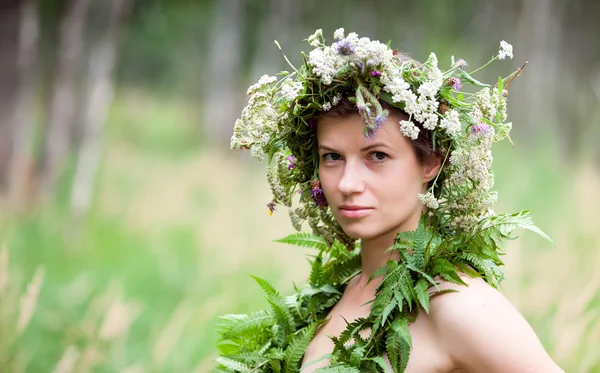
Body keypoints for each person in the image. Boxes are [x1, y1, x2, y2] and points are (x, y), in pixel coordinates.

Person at [217, 29, 564, 373]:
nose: (348, 184)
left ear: (431, 163)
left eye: (377, 156)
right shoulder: (336, 295)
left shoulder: (462, 309)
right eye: (333, 157)